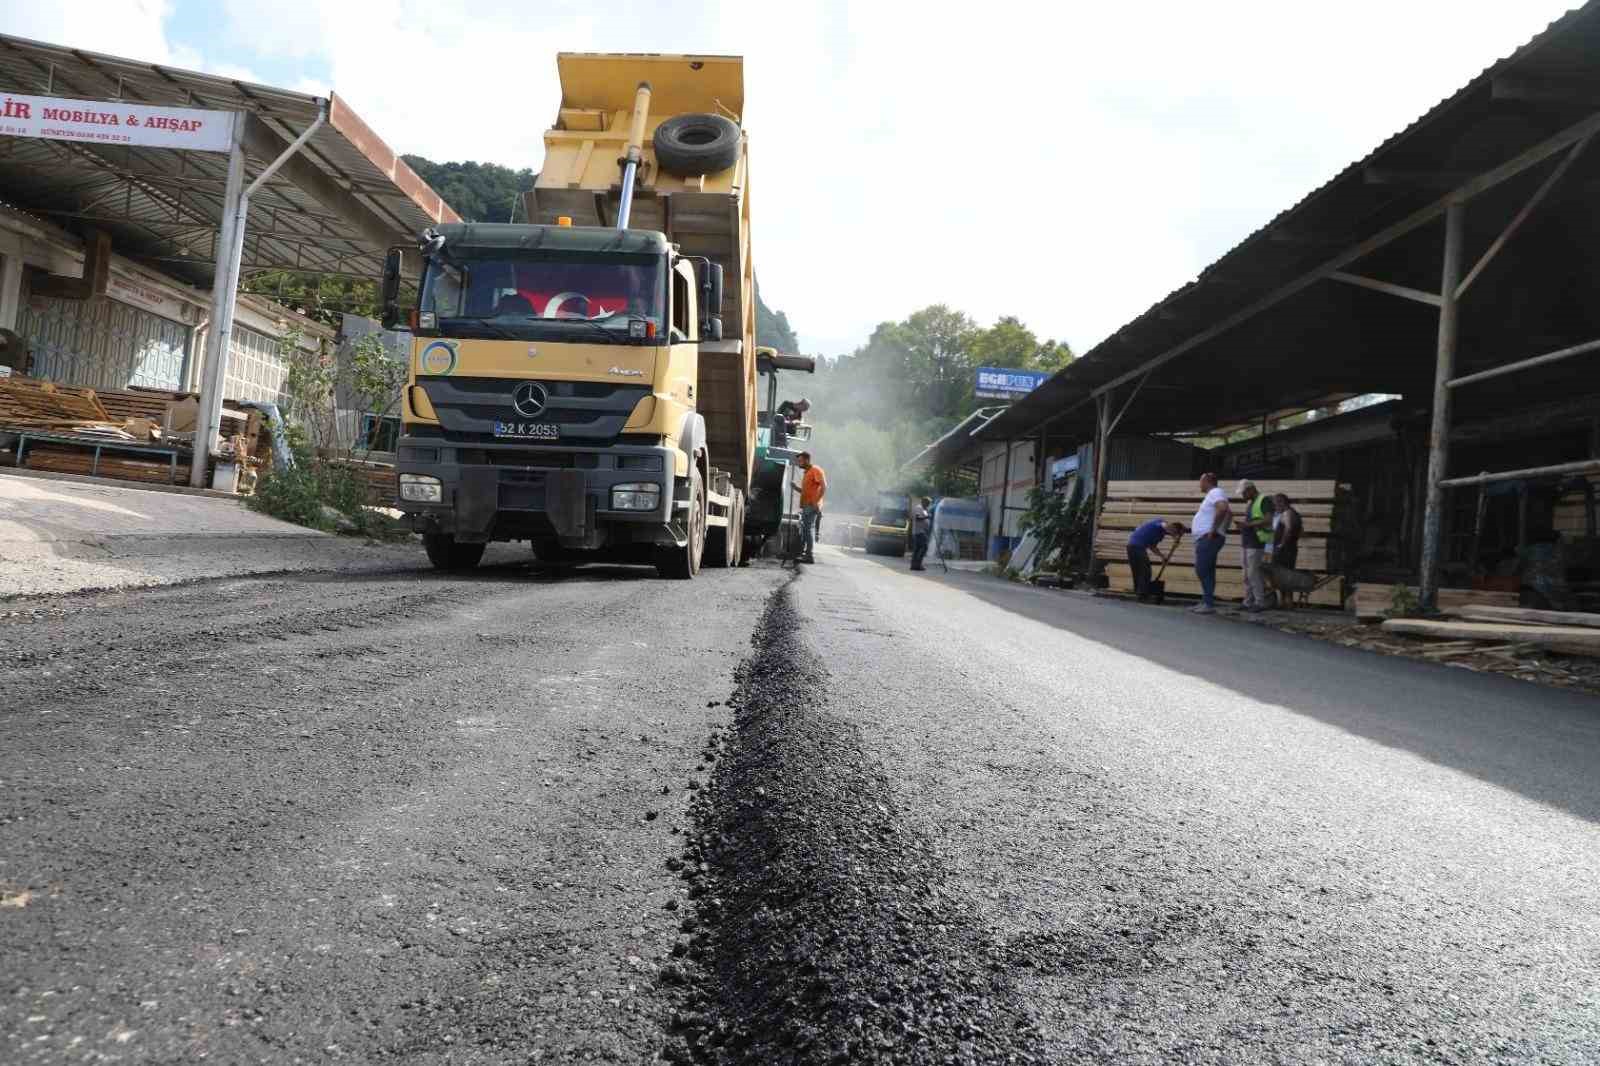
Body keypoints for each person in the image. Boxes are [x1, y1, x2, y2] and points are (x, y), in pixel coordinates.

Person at [1190, 473, 1231, 614]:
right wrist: (1223, 530)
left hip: (1209, 538)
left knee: (1201, 569)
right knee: (1208, 570)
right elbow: (1229, 514)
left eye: (1200, 481)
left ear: (1207, 481)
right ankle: (1207, 602)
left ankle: (1208, 603)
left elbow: (1223, 508)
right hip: (1209, 537)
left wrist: (1214, 530)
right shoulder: (1213, 494)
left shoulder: (1215, 492)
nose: (1199, 484)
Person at [1236, 479, 1275, 613]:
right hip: (1247, 542)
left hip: (1257, 542)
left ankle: (1260, 602)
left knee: (1254, 573)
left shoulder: (1264, 500)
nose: (1242, 496)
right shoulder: (1251, 503)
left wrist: (1247, 525)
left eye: (1244, 493)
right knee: (1247, 574)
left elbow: (1268, 519)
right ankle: (1248, 602)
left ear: (1251, 489)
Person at [1126, 518, 1186, 601]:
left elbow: (1152, 546)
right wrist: (1175, 537)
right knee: (1145, 571)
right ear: (1173, 528)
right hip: (1135, 546)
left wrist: (1162, 557)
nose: (1174, 534)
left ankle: (1139, 594)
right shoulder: (1161, 522)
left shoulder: (1160, 534)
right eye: (1175, 532)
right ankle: (1142, 594)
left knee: (1139, 571)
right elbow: (1165, 526)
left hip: (1134, 547)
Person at [796, 450, 826, 564]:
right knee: (805, 529)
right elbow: (806, 491)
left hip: (811, 506)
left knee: (807, 530)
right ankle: (805, 554)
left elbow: (824, 487)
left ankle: (809, 555)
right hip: (807, 505)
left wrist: (816, 502)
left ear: (807, 460)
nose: (799, 463)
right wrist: (795, 488)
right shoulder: (807, 473)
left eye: (800, 461)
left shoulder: (815, 470)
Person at [1271, 492, 1302, 571]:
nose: (1275, 508)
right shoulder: (1290, 513)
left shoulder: (1288, 513)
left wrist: (1281, 544)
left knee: (1282, 573)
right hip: (1284, 549)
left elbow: (1288, 529)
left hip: (1284, 551)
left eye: (1275, 505)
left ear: (1281, 502)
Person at [910, 496, 932, 571]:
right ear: (923, 502)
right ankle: (918, 564)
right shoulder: (918, 508)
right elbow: (917, 518)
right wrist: (927, 517)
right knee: (924, 547)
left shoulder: (924, 509)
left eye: (929, 503)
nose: (929, 504)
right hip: (918, 532)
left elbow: (925, 519)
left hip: (922, 531)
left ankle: (914, 565)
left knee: (917, 549)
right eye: (928, 503)